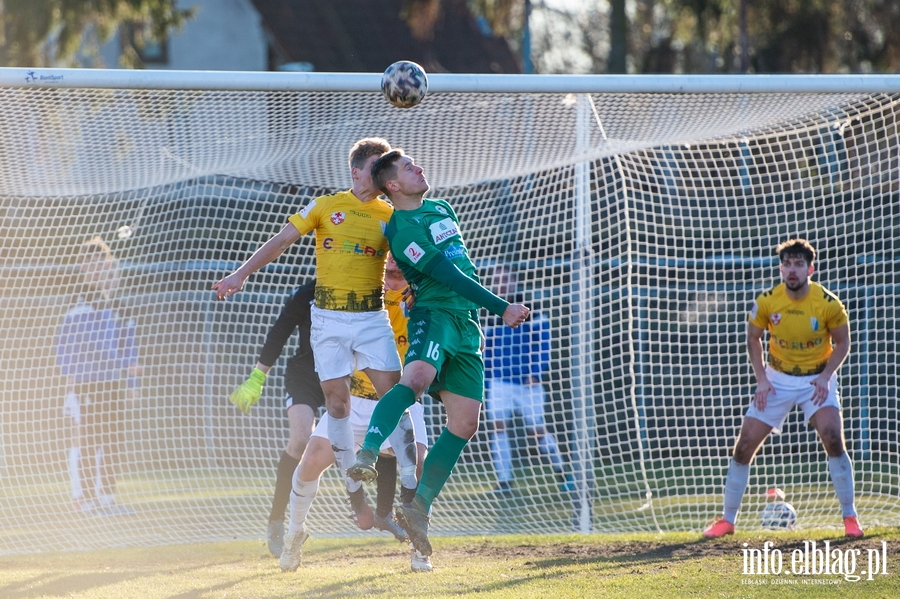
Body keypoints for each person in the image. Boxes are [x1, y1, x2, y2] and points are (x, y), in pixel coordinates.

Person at [347, 150, 530, 559]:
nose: (419, 167)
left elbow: (459, 266)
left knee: (466, 423)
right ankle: (369, 452)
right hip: (435, 316)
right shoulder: (402, 229)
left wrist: (484, 311)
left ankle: (417, 506)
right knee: (415, 381)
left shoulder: (441, 207)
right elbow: (448, 275)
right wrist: (502, 307)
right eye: (409, 167)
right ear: (393, 185)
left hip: (466, 324)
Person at [213, 138, 401, 518]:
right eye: (375, 168)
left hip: (363, 335)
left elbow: (411, 260)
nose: (382, 176)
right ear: (357, 172)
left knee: (398, 413)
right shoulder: (327, 207)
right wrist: (241, 274)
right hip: (313, 358)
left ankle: (392, 511)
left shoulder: (392, 215)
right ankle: (281, 517)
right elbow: (282, 241)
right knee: (306, 434)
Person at [227, 276, 421, 560]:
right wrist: (258, 375)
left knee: (387, 436)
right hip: (307, 375)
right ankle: (278, 521)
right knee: (301, 439)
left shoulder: (365, 289)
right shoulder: (308, 293)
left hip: (345, 376)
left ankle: (383, 513)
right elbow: (280, 331)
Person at [280, 254, 432, 573]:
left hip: (398, 399)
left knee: (418, 461)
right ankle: (294, 532)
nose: (392, 272)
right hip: (357, 401)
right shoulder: (361, 298)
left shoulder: (420, 302)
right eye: (387, 265)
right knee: (309, 463)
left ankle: (420, 547)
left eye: (398, 268)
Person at [704, 238, 863, 539]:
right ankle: (727, 520)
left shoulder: (829, 304)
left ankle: (850, 517)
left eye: (798, 264)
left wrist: (827, 376)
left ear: (810, 269)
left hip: (816, 379)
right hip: (777, 379)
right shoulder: (767, 301)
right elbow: (753, 338)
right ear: (781, 268)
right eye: (787, 264)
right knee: (744, 445)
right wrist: (762, 379)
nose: (792, 270)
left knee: (832, 437)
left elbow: (843, 343)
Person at [55, 236, 140, 515]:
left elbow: (129, 346)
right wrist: (123, 366)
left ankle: (106, 497)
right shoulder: (79, 302)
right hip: (84, 382)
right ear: (82, 267)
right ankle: (84, 498)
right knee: (87, 439)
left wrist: (131, 380)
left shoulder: (118, 306)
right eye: (91, 264)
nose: (101, 271)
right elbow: (89, 344)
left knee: (111, 438)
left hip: (111, 382)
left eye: (104, 265)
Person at [482, 263, 571, 496]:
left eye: (505, 278)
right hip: (500, 383)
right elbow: (486, 351)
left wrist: (536, 371)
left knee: (537, 430)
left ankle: (563, 474)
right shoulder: (489, 312)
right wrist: (488, 380)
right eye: (496, 279)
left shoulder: (532, 309)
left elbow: (543, 343)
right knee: (498, 429)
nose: (501, 283)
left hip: (527, 383)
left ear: (513, 280)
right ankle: (504, 482)